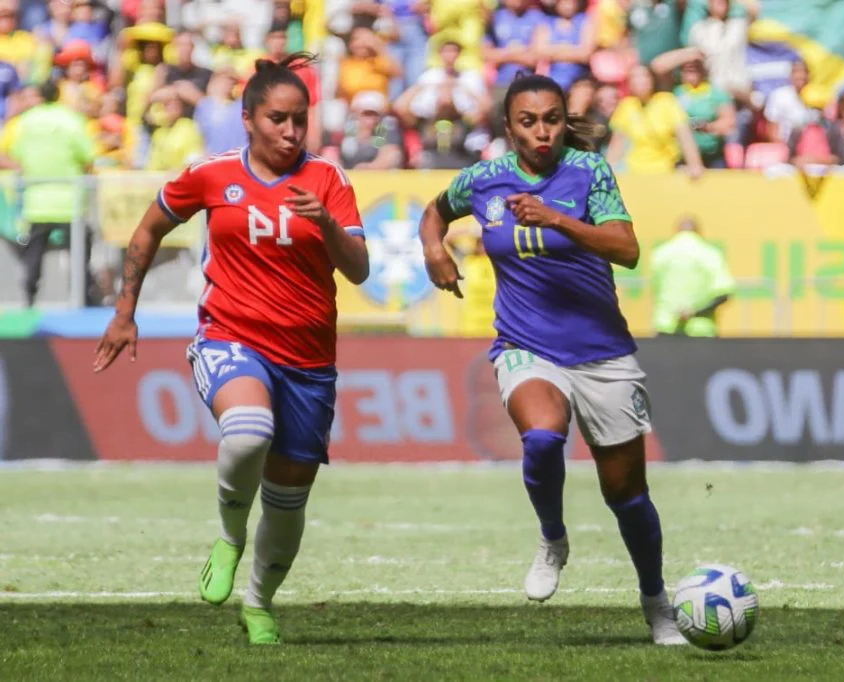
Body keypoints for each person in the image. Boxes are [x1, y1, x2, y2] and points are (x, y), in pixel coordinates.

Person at [92, 53, 370, 645]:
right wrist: (124, 311)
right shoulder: (212, 174)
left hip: (309, 360)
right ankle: (230, 534)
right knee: (247, 431)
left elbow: (360, 270)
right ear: (248, 118)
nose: (291, 132)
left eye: (300, 120)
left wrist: (325, 224)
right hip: (230, 337)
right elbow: (147, 230)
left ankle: (260, 602)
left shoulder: (327, 181)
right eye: (278, 119)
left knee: (290, 499)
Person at [418, 72, 686, 646]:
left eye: (553, 120)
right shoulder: (484, 179)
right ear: (508, 127)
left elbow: (628, 249)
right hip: (524, 343)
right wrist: (433, 251)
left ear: (566, 121)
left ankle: (656, 601)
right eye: (528, 122)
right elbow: (433, 211)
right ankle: (552, 538)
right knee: (542, 437)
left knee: (627, 496)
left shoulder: (588, 172)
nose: (542, 132)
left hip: (601, 352)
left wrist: (558, 218)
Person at [3, 80, 95, 307]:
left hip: (37, 201)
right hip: (69, 200)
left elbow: (15, 154)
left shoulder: (25, 122)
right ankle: (83, 297)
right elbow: (88, 155)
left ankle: (28, 299)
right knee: (79, 252)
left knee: (33, 254)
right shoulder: (72, 120)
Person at [650, 216, 735, 337]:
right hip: (700, 329)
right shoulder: (710, 254)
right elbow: (724, 293)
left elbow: (655, 288)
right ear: (699, 232)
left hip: (666, 327)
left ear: (676, 230)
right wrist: (694, 312)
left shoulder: (660, 254)